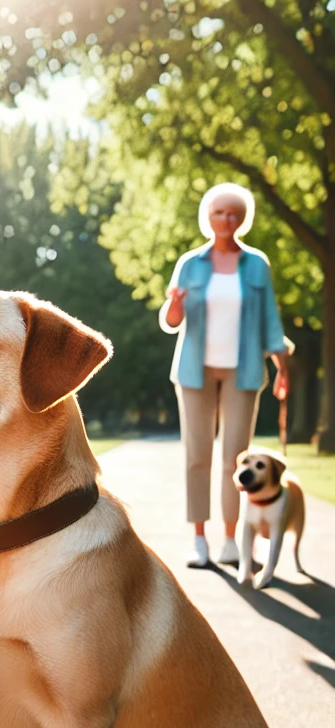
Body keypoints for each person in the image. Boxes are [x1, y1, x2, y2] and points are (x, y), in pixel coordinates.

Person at [160, 182, 290, 568]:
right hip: (194, 371)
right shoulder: (190, 263)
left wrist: (283, 369)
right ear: (208, 217)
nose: (226, 219)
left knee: (237, 457)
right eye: (219, 212)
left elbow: (270, 321)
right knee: (197, 455)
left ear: (242, 219)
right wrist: (174, 304)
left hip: (244, 370)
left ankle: (232, 539)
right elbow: (171, 322)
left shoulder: (257, 265)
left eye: (234, 213)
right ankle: (199, 539)